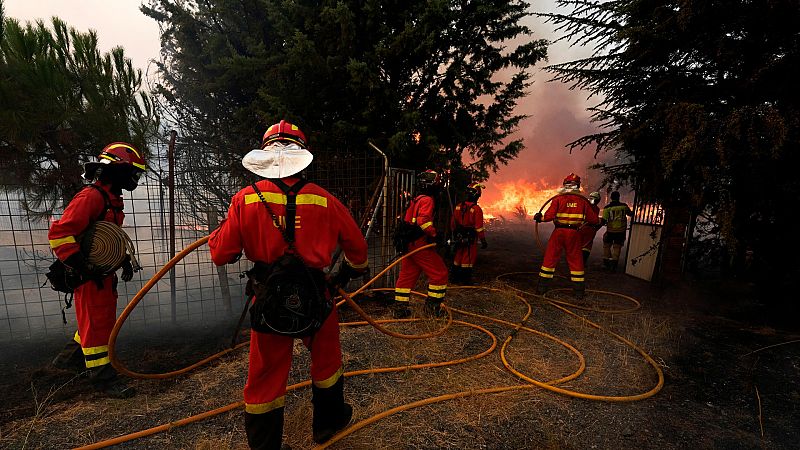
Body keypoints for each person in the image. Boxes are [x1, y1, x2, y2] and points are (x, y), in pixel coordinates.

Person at [209, 120, 368, 450]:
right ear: (302, 155)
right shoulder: (324, 200)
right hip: (317, 297)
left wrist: (218, 236)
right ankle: (328, 424)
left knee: (265, 373)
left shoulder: (245, 200)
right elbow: (358, 250)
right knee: (327, 362)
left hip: (268, 300)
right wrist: (345, 273)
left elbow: (221, 254)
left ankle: (266, 445)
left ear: (266, 156)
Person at [49, 142, 145, 398]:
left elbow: (106, 237)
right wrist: (82, 267)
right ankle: (103, 379)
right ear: (117, 170)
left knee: (95, 322)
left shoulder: (112, 200)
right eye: (133, 172)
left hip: (101, 274)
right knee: (98, 326)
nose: (135, 179)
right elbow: (60, 234)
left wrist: (121, 259)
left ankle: (67, 361)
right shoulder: (91, 197)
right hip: (88, 276)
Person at [393, 169, 449, 319]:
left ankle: (400, 309)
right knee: (440, 274)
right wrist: (434, 235)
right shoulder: (428, 200)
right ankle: (432, 310)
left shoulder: (415, 199)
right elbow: (423, 221)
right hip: (419, 244)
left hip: (409, 243)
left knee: (407, 275)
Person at [533, 173, 599, 299]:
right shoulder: (583, 201)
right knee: (576, 261)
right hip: (574, 234)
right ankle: (579, 292)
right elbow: (594, 220)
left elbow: (548, 216)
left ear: (564, 185)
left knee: (550, 259)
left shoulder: (558, 199)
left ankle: (541, 289)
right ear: (578, 186)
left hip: (559, 232)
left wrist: (539, 218)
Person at [450, 182, 487, 285]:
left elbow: (453, 222)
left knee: (458, 255)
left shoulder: (458, 206)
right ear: (477, 195)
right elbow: (479, 228)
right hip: (470, 237)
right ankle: (465, 280)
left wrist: (454, 233)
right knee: (468, 258)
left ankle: (454, 278)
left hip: (458, 235)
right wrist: (483, 240)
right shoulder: (476, 209)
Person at [602, 191, 634, 272]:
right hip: (621, 231)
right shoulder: (624, 206)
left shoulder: (607, 208)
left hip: (610, 231)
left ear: (611, 198)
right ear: (618, 197)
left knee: (606, 245)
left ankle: (606, 262)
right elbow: (630, 214)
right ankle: (614, 264)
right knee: (617, 247)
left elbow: (604, 220)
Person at [579, 191, 603, 265]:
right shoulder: (596, 208)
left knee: (579, 244)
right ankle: (583, 261)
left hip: (582, 227)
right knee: (587, 246)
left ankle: (578, 261)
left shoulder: (584, 206)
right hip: (590, 229)